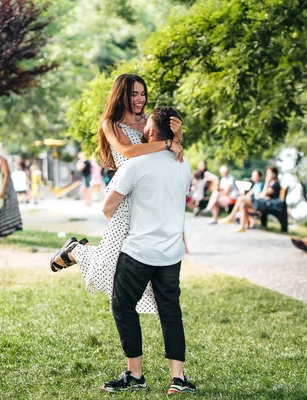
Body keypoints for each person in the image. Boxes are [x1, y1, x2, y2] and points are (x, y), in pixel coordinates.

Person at [49, 73, 184, 316]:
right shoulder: (110, 124)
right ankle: (75, 251)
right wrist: (167, 144)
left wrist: (176, 137)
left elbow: (169, 155)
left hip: (148, 197)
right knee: (108, 265)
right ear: (121, 95)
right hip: (124, 198)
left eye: (143, 93)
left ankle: (78, 251)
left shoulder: (149, 122)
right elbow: (129, 151)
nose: (140, 99)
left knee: (140, 264)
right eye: (134, 94)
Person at [100, 106, 195, 394]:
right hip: (171, 254)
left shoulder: (136, 164)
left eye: (146, 125)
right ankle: (178, 379)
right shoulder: (184, 164)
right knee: (170, 312)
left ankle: (135, 374)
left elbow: (108, 208)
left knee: (122, 305)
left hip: (138, 252)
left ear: (152, 132)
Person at [235, 165, 281, 232]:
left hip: (267, 205)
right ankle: (242, 226)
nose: (267, 175)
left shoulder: (275, 184)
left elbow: (263, 194)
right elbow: (261, 195)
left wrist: (266, 182)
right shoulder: (270, 184)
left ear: (274, 174)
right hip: (262, 203)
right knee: (242, 204)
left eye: (268, 173)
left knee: (241, 199)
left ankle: (232, 217)